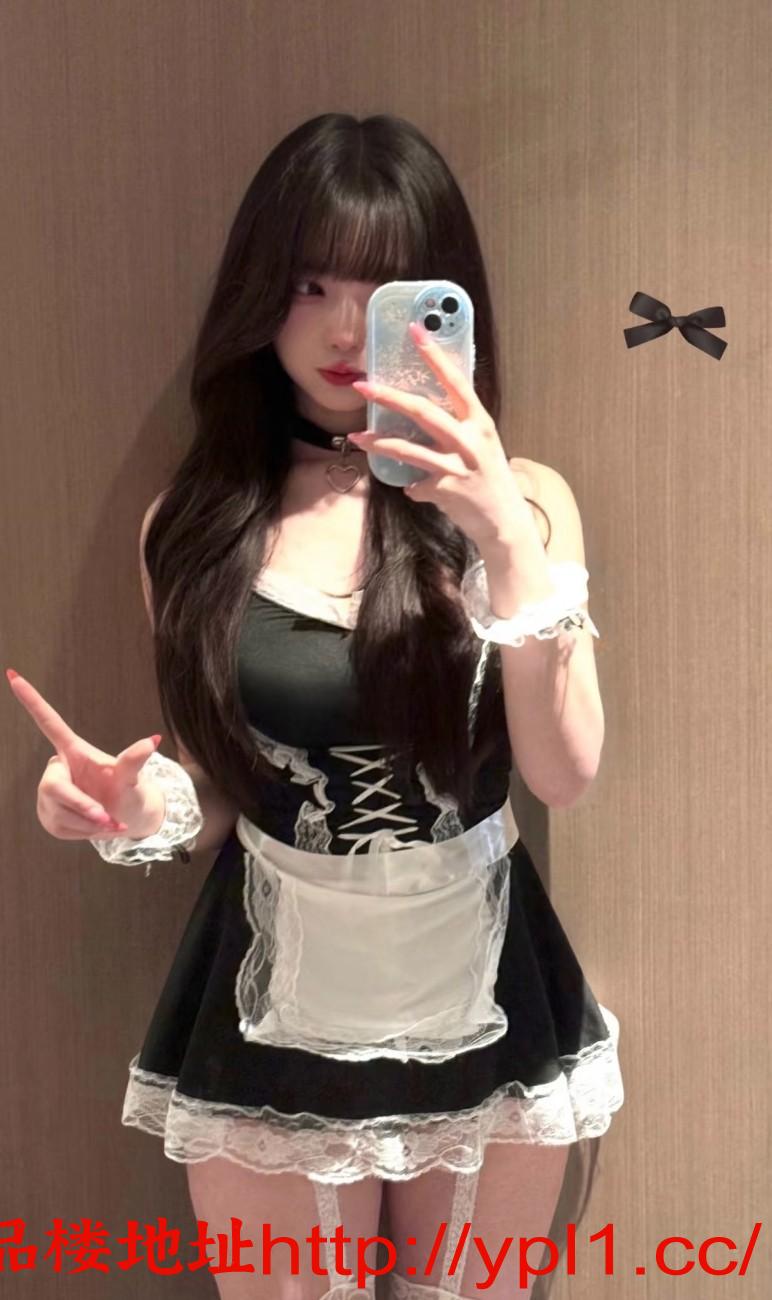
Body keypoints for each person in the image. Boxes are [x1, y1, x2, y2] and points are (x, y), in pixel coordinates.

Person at [8, 112, 623, 1299]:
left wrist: (502, 533)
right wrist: (134, 806)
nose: (344, 330)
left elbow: (564, 772)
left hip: (487, 986)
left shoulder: (529, 504)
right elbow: (219, 786)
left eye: (385, 288)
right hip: (274, 995)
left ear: (445, 300)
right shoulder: (196, 523)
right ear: (259, 294)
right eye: (309, 283)